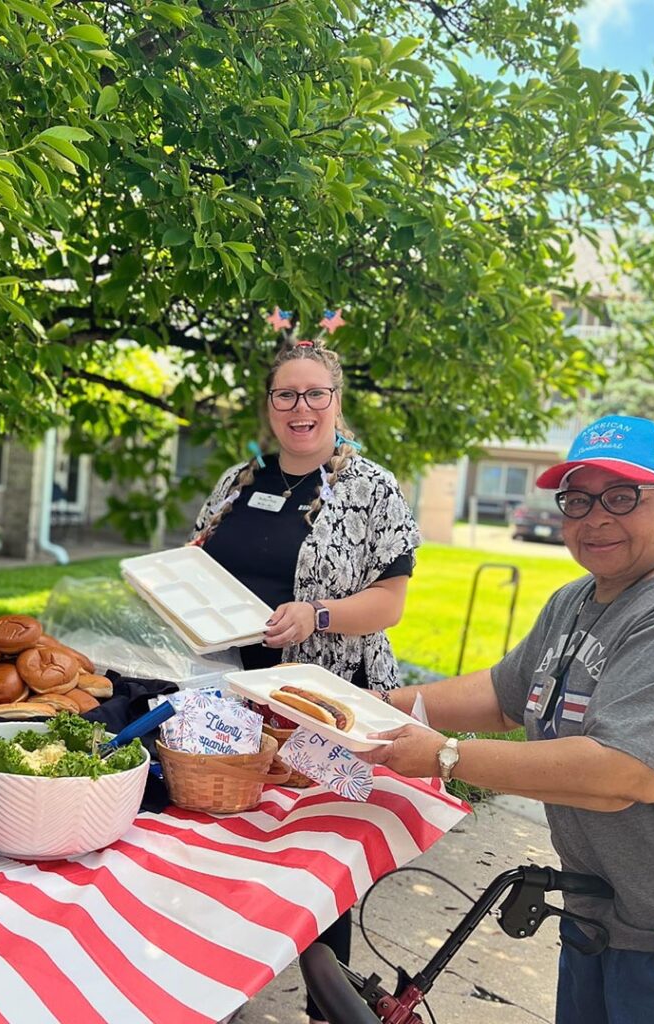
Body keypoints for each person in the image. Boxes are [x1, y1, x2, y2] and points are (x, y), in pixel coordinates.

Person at [361, 414, 654, 1024]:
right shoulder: (576, 599)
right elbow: (503, 693)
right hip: (597, 910)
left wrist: (445, 756)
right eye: (577, 498)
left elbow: (629, 773)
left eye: (622, 496)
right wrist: (374, 709)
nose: (595, 517)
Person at [192, 335, 420, 1024]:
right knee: (226, 848)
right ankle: (214, 995)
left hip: (325, 709)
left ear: (336, 401)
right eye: (285, 394)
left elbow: (393, 601)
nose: (300, 408)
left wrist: (317, 613)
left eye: (314, 394)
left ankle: (330, 1009)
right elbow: (200, 566)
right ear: (269, 406)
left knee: (321, 857)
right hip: (228, 706)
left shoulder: (371, 487)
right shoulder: (238, 482)